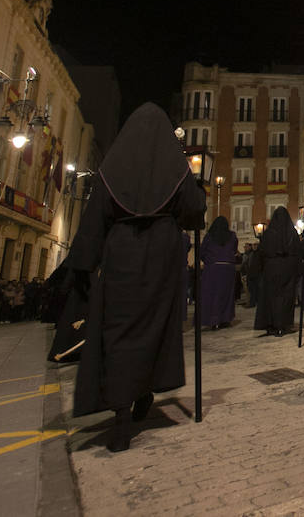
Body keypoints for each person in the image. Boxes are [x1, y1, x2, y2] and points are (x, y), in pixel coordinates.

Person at [69, 103, 206, 452]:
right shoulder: (174, 167)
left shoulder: (112, 168)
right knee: (155, 327)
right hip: (161, 255)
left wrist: (84, 265)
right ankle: (145, 390)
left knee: (118, 330)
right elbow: (193, 211)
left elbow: (94, 219)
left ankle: (121, 414)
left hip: (121, 253)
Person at [254, 207, 300, 337]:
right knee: (286, 298)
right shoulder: (292, 234)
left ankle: (271, 324)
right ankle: (283, 325)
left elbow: (261, 253)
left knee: (270, 297)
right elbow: (298, 252)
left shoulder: (268, 234)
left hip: (271, 268)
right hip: (288, 269)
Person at [199, 215, 238, 329]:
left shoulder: (209, 236)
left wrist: (208, 261)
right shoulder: (232, 236)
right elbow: (234, 249)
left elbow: (202, 252)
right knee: (227, 295)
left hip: (213, 268)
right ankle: (225, 318)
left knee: (212, 294)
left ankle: (213, 319)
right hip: (228, 267)